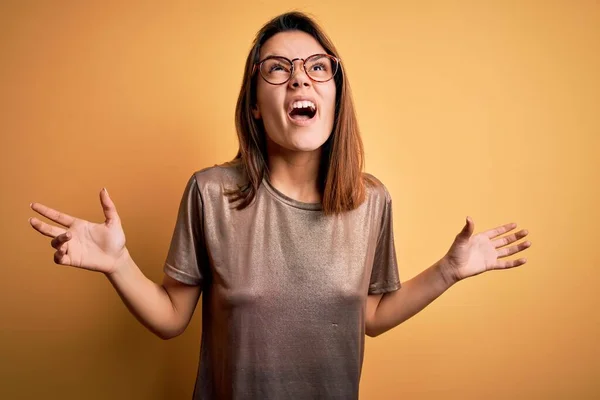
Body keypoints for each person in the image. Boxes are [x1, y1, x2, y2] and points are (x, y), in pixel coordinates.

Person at [28, 11, 531, 400]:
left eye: (317, 68)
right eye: (277, 69)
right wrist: (117, 263)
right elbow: (171, 317)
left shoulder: (371, 201)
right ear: (253, 102)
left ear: (335, 93)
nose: (300, 79)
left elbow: (369, 315)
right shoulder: (211, 194)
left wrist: (448, 270)